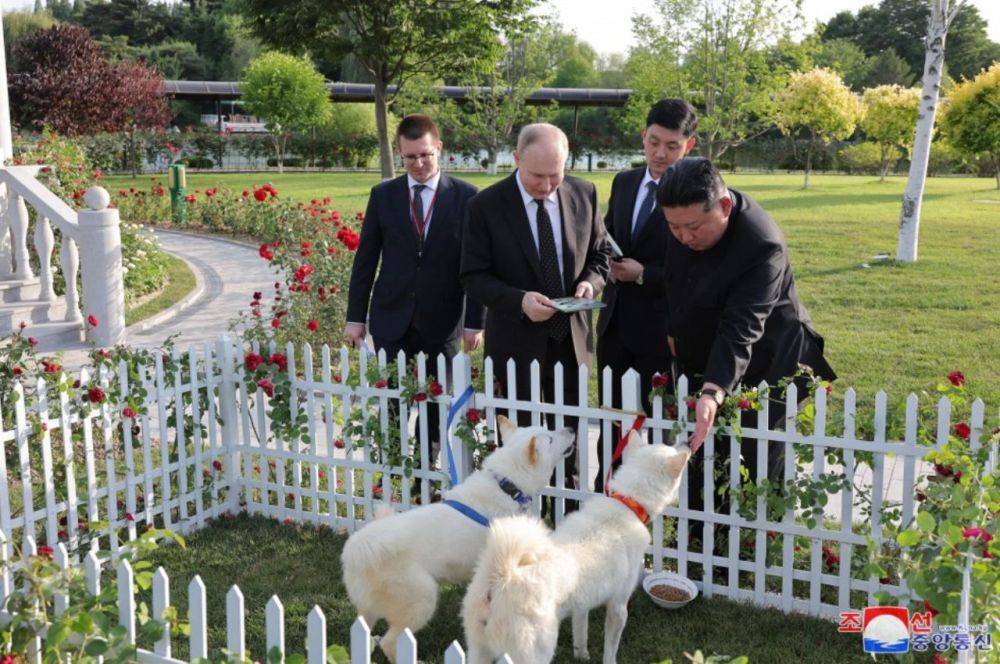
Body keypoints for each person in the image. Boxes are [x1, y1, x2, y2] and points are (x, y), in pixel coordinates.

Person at [657, 157, 836, 521]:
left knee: (759, 463)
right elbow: (676, 280)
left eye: (692, 227)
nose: (683, 237)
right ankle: (705, 542)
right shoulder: (684, 220)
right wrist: (675, 332)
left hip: (770, 362)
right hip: (713, 355)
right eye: (674, 228)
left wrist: (713, 390)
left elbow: (743, 325)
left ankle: (762, 540)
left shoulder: (762, 244)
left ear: (723, 206)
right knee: (707, 459)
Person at [460, 123, 610, 497]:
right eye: (537, 176)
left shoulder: (583, 192)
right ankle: (523, 518)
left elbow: (601, 253)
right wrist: (519, 301)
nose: (546, 186)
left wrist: (590, 282)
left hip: (570, 341)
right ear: (516, 159)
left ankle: (567, 517)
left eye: (555, 175)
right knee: (520, 445)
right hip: (516, 342)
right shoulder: (485, 206)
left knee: (568, 439)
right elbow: (473, 276)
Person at [345, 114, 483, 455]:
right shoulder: (383, 196)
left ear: (438, 148)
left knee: (435, 406)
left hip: (443, 323)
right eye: (410, 157)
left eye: (425, 154)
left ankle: (425, 480)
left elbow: (478, 265)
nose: (419, 164)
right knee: (393, 405)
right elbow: (365, 260)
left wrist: (475, 322)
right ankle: (394, 477)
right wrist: (355, 317)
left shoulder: (468, 197)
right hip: (392, 319)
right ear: (399, 153)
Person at [594, 99, 697, 492]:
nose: (659, 153)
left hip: (662, 329)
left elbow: (697, 268)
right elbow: (606, 237)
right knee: (613, 420)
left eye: (672, 146)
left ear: (689, 145)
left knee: (655, 428)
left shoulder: (696, 190)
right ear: (643, 136)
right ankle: (606, 492)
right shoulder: (624, 182)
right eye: (653, 142)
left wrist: (644, 275)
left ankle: (651, 502)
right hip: (615, 325)